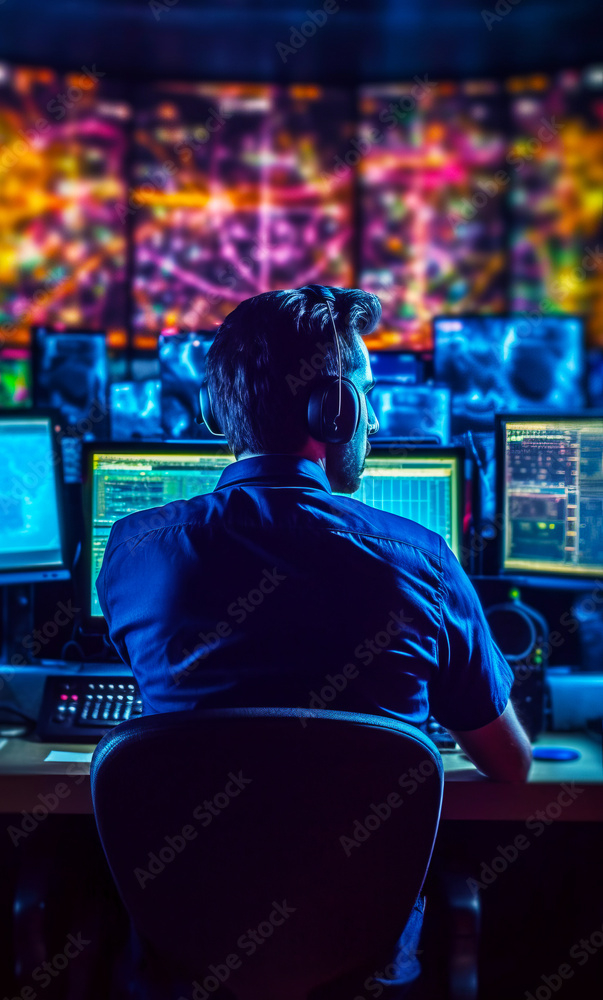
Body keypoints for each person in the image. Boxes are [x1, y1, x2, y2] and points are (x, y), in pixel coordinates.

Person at [97, 284, 532, 996]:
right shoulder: (421, 561)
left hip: (186, 960)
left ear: (216, 412)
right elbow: (510, 768)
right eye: (364, 390)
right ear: (337, 409)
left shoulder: (134, 549)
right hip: (364, 967)